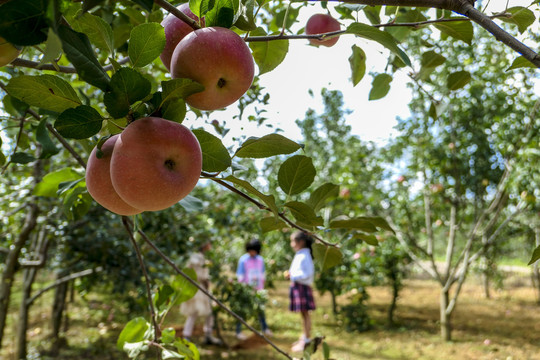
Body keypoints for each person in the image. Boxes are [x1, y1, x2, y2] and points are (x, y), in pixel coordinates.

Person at [180, 240, 222, 345]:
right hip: (198, 288)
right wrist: (206, 283)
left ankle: (208, 334)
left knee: (208, 312)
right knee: (195, 312)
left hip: (200, 288)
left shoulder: (200, 256)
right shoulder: (197, 257)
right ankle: (187, 336)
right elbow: (199, 275)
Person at [235, 238, 272, 340]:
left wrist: (262, 288)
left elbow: (262, 274)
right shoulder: (243, 260)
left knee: (260, 310)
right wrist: (242, 287)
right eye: (250, 250)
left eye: (254, 250)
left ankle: (265, 328)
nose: (252, 252)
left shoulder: (260, 260)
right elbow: (240, 275)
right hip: (246, 289)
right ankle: (238, 331)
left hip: (258, 289)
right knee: (242, 310)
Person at [286, 231, 316, 352]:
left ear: (301, 242)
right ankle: (304, 337)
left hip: (302, 287)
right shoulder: (301, 254)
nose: (292, 244)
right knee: (303, 314)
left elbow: (307, 273)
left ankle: (307, 340)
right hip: (299, 286)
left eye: (293, 241)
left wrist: (293, 275)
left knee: (305, 314)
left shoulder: (305, 256)